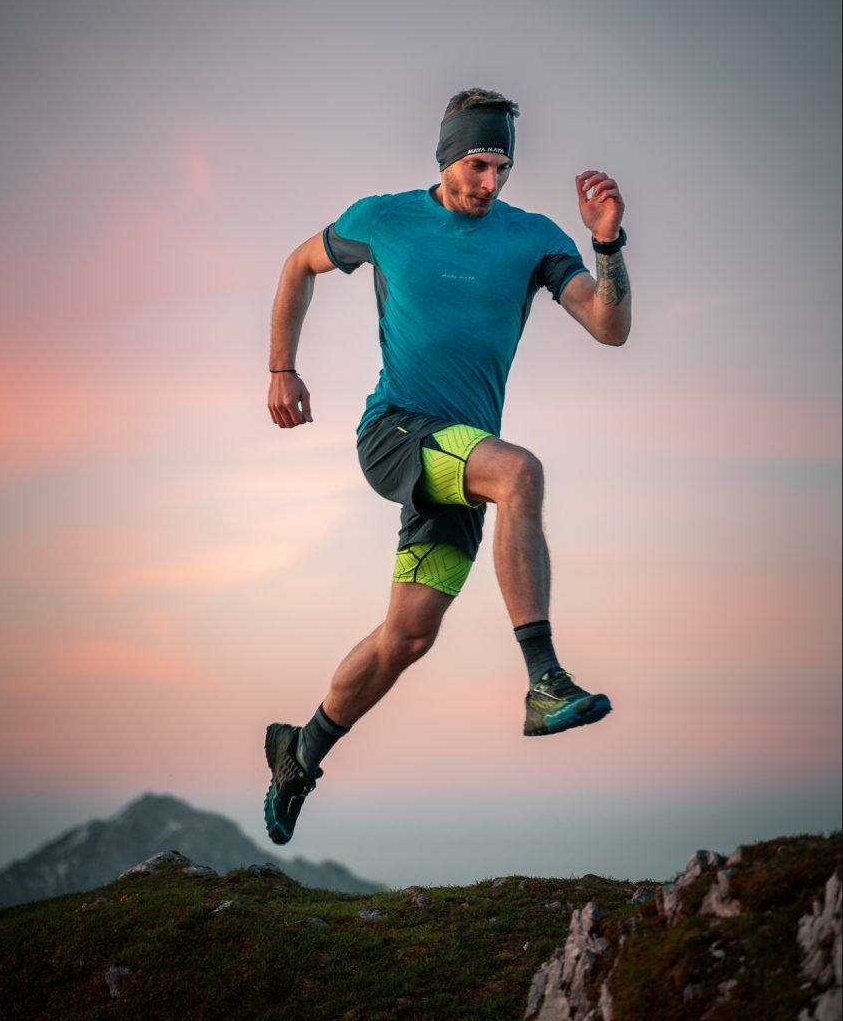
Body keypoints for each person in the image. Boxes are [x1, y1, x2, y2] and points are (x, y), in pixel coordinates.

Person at [263, 88, 631, 845]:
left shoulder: (532, 238)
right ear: (446, 157)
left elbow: (609, 327)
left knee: (408, 636)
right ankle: (545, 679)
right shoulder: (384, 219)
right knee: (520, 473)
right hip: (398, 432)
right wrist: (280, 368)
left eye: (501, 166)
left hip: (462, 457)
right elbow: (299, 265)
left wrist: (607, 245)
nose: (490, 182)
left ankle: (299, 753)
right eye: (476, 164)